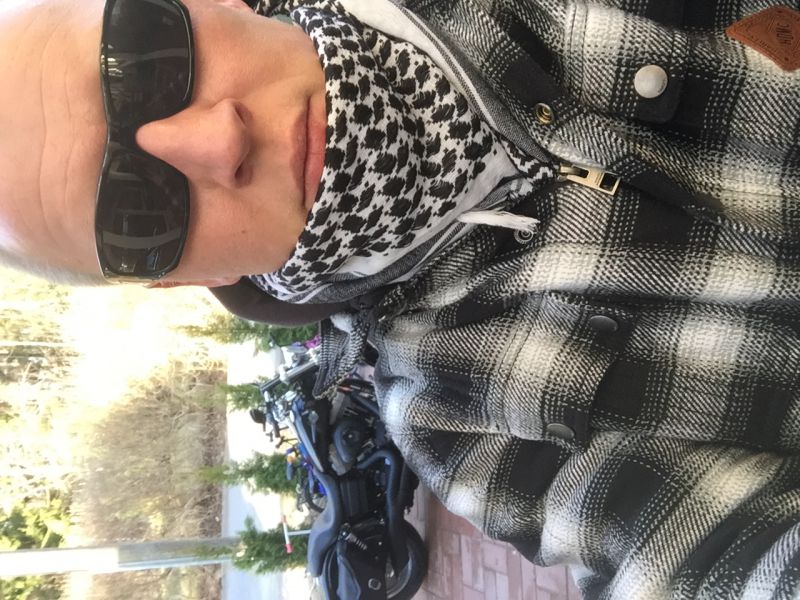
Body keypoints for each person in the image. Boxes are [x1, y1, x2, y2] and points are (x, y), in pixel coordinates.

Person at [1, 0, 799, 597]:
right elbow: (719, 558)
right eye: (137, 211)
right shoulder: (460, 421)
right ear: (179, 278)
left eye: (142, 57)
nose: (219, 139)